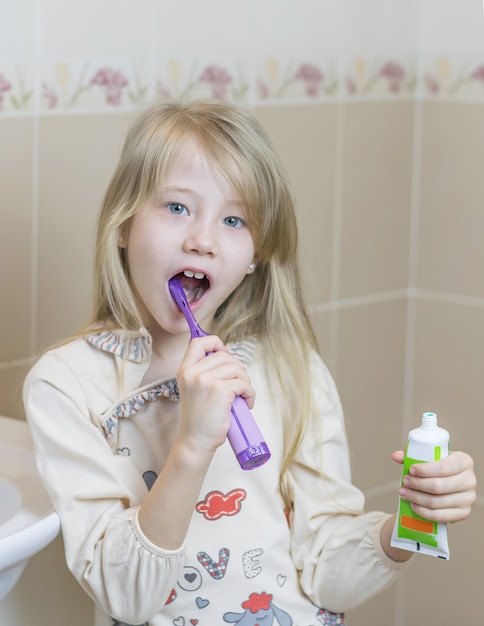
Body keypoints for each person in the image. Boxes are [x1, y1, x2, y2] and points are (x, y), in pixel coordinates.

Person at [23, 98, 476, 626]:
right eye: (176, 207)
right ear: (123, 224)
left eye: (234, 219)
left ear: (256, 254)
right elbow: (124, 594)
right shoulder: (68, 385)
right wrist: (192, 444)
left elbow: (325, 567)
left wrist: (406, 527)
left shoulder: (290, 369)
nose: (202, 240)